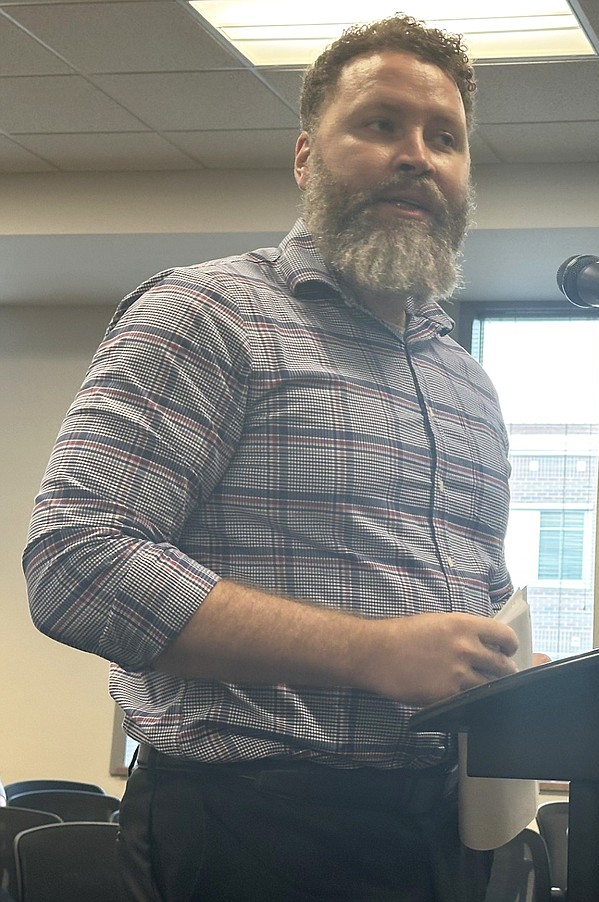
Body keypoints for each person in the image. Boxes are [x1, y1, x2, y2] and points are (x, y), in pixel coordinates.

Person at [24, 16, 521, 902]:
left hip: (441, 838)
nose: (417, 155)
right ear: (305, 158)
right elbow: (74, 561)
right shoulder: (207, 315)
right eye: (379, 125)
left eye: (444, 138)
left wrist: (514, 672)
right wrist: (368, 652)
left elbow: (472, 603)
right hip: (247, 831)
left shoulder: (466, 383)